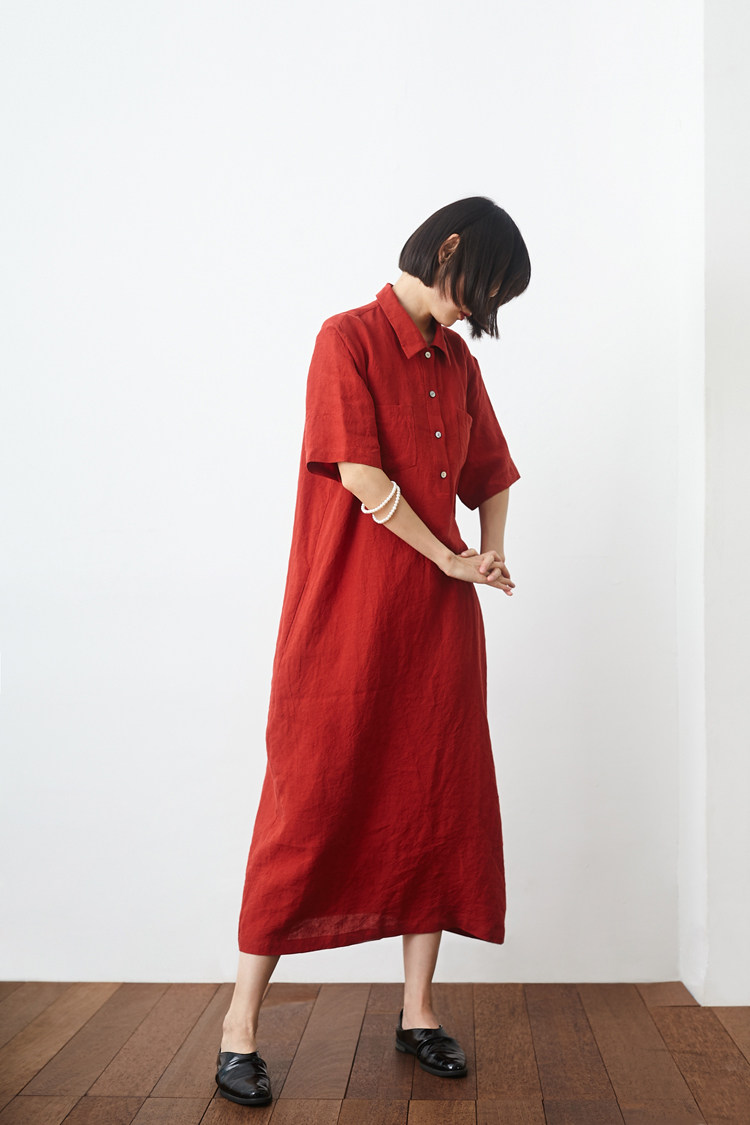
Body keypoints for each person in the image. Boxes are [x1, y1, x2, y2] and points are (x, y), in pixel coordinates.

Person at [215, 196, 531, 1107]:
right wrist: (452, 557)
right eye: (479, 291)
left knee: (434, 800)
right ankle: (239, 1027)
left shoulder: (459, 363)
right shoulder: (345, 339)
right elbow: (360, 476)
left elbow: (493, 470)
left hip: (437, 627)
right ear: (448, 248)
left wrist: (489, 551)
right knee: (308, 804)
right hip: (346, 620)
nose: (477, 313)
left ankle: (419, 1012)